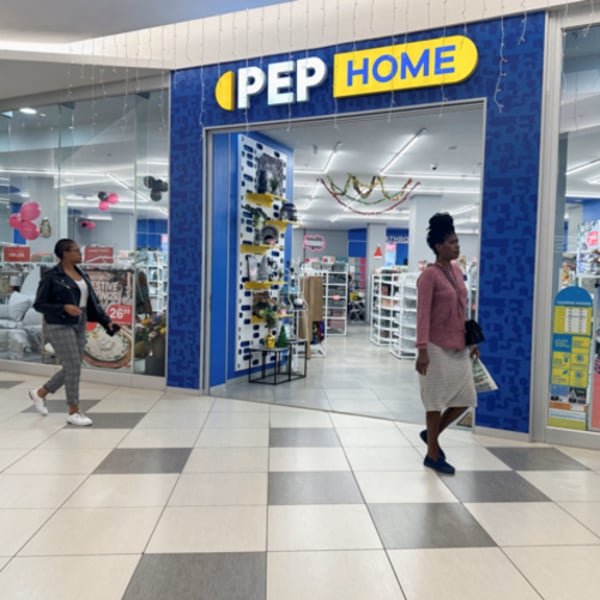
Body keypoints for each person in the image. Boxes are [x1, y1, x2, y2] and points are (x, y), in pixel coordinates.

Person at [29, 239, 120, 426]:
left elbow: (93, 303)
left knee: (74, 367)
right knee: (73, 366)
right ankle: (73, 411)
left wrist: (106, 322)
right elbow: (39, 304)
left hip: (80, 320)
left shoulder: (82, 274)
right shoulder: (51, 276)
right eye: (76, 251)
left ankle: (40, 393)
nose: (80, 253)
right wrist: (63, 307)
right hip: (58, 324)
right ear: (64, 253)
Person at [415, 213, 478, 474]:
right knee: (434, 401)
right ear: (438, 246)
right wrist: (422, 350)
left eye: (457, 241)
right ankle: (432, 454)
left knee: (467, 397)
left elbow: (462, 309)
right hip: (434, 346)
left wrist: (472, 341)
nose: (457, 246)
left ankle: (431, 434)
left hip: (458, 344)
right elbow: (422, 314)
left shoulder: (457, 272)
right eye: (452, 242)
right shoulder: (429, 276)